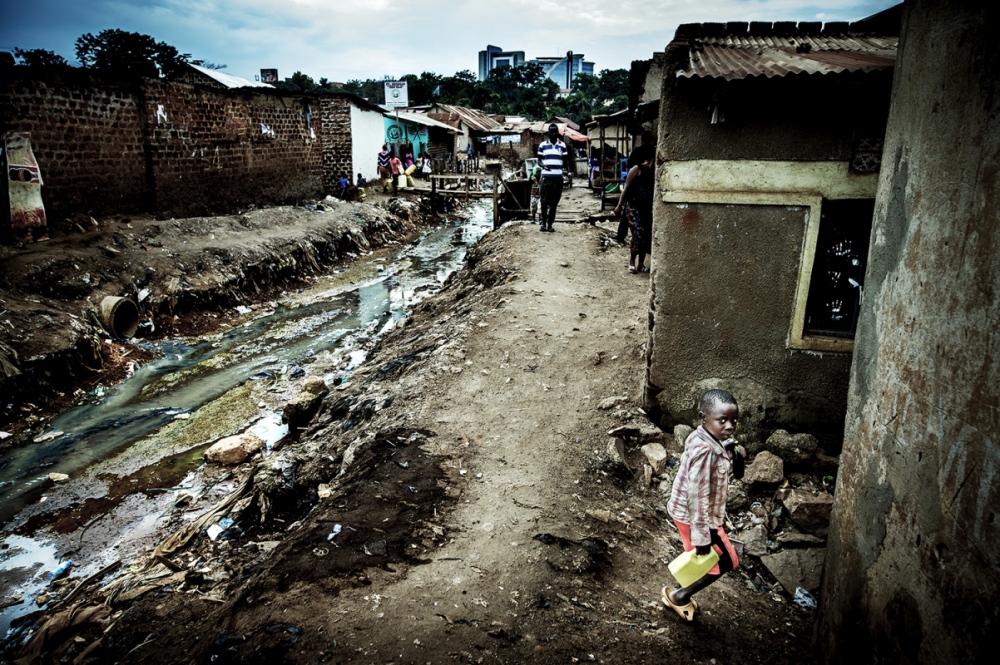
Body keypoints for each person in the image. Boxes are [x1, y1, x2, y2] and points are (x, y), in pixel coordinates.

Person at [663, 389, 745, 622]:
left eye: (734, 420)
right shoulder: (704, 452)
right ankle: (679, 596)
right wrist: (702, 538)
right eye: (723, 420)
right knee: (727, 561)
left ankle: (681, 585)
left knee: (702, 558)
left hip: (684, 513)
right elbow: (696, 497)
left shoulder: (702, 436)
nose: (730, 425)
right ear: (704, 418)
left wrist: (728, 447)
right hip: (698, 519)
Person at [612, 144, 655, 273]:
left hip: (646, 208)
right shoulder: (636, 169)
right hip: (634, 207)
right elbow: (626, 189)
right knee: (637, 235)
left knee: (645, 236)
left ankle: (641, 264)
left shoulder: (653, 172)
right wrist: (619, 206)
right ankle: (632, 261)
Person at [536, 124, 569, 232]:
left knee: (554, 203)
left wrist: (567, 172)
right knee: (544, 202)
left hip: (558, 178)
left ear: (557, 133)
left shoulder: (562, 145)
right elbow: (539, 160)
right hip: (546, 177)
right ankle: (543, 224)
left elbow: (565, 160)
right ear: (549, 133)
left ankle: (550, 225)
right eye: (552, 132)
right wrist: (542, 165)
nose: (553, 134)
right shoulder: (542, 145)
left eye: (555, 132)